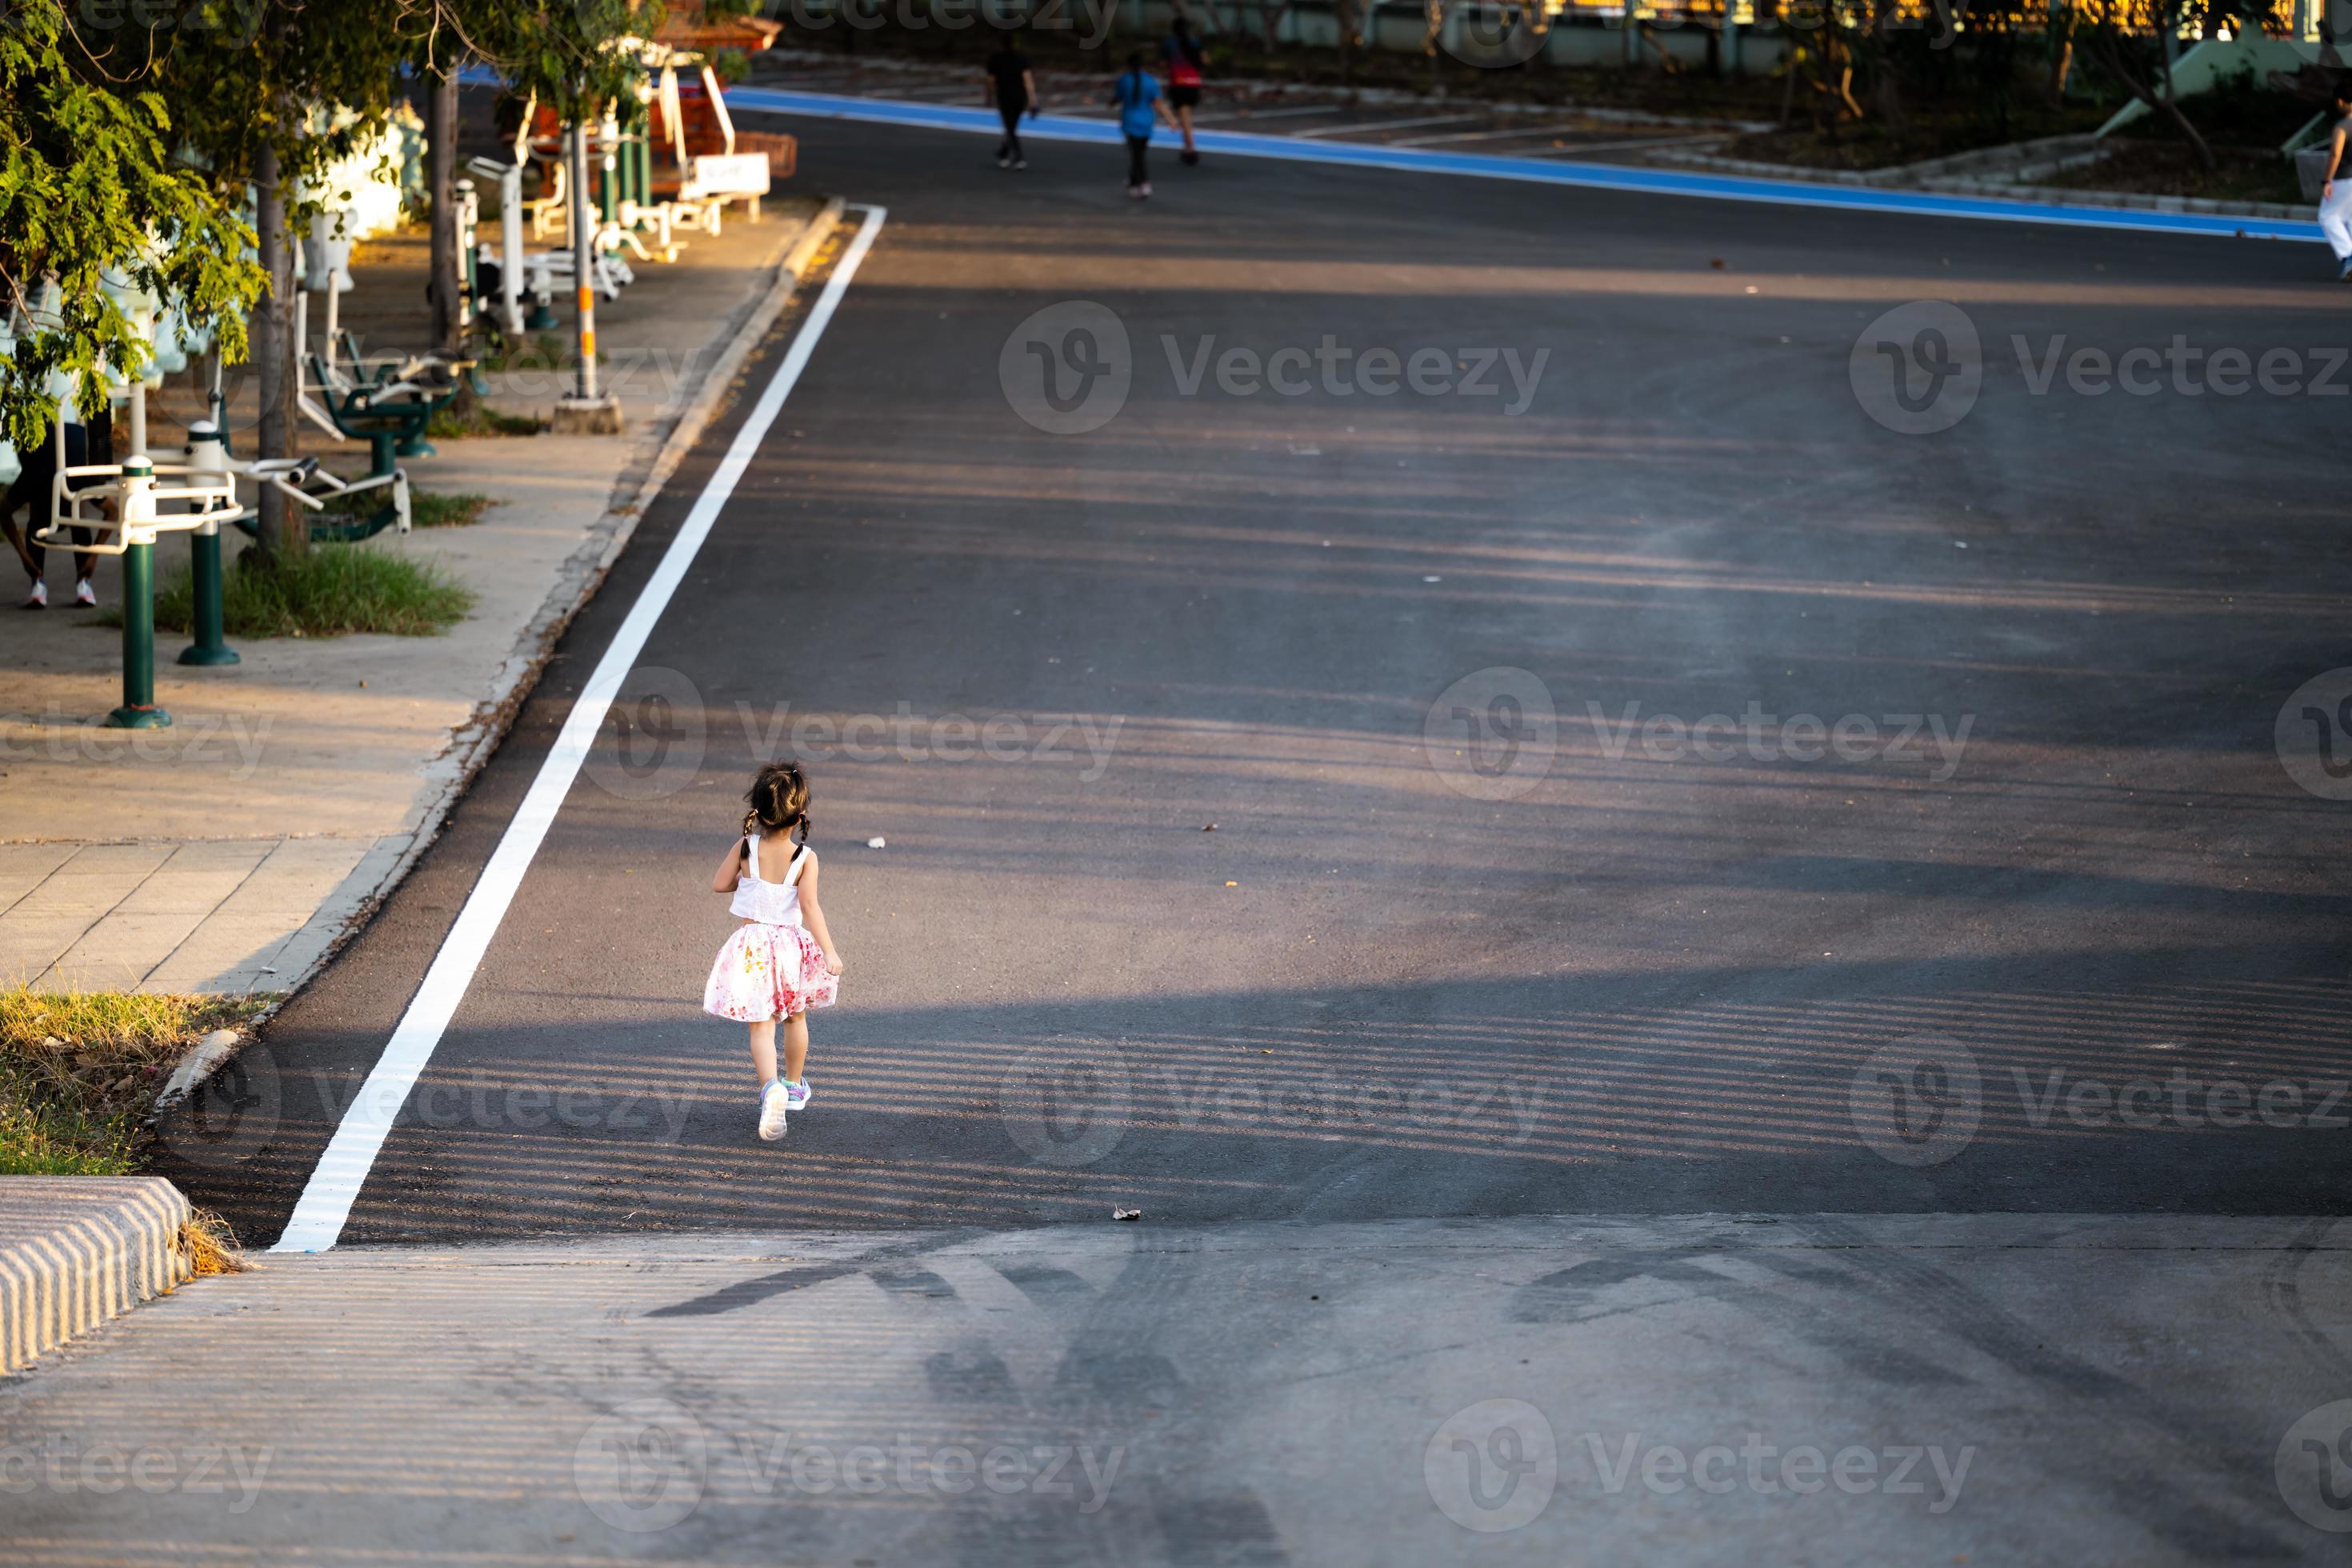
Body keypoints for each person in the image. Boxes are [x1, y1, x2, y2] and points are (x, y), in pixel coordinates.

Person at [704, 762, 844, 1142]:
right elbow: (810, 907)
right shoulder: (805, 858)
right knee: (795, 1020)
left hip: (752, 949)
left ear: (758, 811)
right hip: (788, 950)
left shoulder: (745, 847)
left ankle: (770, 1088)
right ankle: (794, 1085)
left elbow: (720, 884)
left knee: (761, 1028)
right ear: (800, 817)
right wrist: (829, 952)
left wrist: (748, 881)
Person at [0, 411, 105, 610]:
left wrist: (93, 557)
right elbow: (113, 512)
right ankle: (45, 580)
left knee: (63, 520)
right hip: (55, 458)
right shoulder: (38, 479)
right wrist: (26, 559)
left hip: (61, 458)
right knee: (67, 519)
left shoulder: (77, 477)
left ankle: (47, 582)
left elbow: (4, 514)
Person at [1110, 53, 1178, 199]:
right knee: (1139, 152)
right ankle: (1134, 179)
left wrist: (1111, 103)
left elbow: (1117, 98)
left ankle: (1143, 183)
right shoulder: (1150, 81)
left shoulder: (1124, 80)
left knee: (1137, 155)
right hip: (1146, 121)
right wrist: (1171, 119)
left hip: (1130, 121)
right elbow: (1158, 103)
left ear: (1128, 66)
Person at [985, 35, 1037, 170]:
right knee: (1012, 127)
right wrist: (1032, 101)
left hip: (1004, 97)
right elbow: (1028, 81)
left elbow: (990, 81)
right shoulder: (1021, 58)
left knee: (1010, 128)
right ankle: (1003, 154)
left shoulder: (995, 59)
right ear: (1014, 44)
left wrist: (988, 97)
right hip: (1020, 98)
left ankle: (1018, 157)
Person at [2319, 82, 2352, 282]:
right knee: (2349, 217)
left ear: (2340, 101)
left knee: (2327, 216)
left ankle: (2348, 257)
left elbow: (2335, 154)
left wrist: (2326, 180)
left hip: (2345, 178)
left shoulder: (2342, 126)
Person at [1163, 17, 1206, 166]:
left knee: (1185, 119)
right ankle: (1187, 146)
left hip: (1179, 83)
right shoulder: (1195, 43)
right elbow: (1205, 61)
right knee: (1187, 118)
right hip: (1194, 83)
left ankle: (1190, 148)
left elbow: (1164, 63)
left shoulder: (1170, 43)